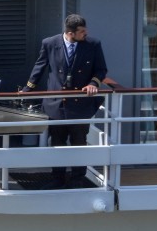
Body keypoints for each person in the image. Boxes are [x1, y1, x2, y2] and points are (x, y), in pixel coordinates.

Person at [20, 14, 107, 189]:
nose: (86, 33)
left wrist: (92, 84)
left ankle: (77, 179)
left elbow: (101, 69)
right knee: (57, 142)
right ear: (70, 33)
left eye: (85, 30)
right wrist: (27, 89)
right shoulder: (50, 43)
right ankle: (57, 178)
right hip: (56, 104)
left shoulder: (93, 44)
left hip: (80, 105)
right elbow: (40, 66)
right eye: (82, 31)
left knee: (79, 144)